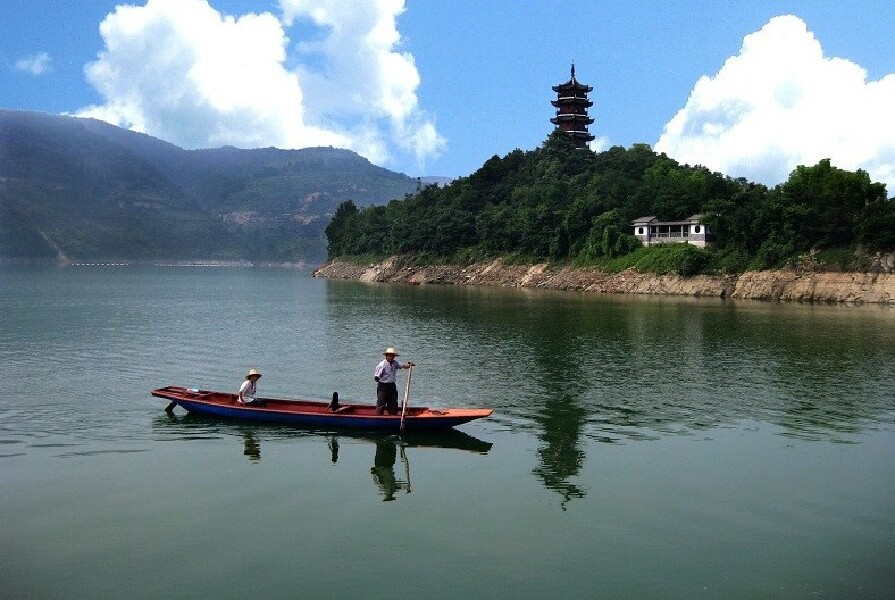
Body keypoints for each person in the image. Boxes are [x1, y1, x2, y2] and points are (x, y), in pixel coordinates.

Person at [373, 347, 414, 415]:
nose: (392, 357)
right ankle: (379, 417)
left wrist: (409, 366)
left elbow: (402, 366)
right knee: (381, 402)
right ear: (386, 356)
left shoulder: (395, 363)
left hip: (392, 385)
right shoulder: (382, 365)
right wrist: (382, 382)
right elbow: (376, 377)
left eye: (393, 356)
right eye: (390, 356)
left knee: (393, 403)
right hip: (383, 386)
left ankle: (393, 416)